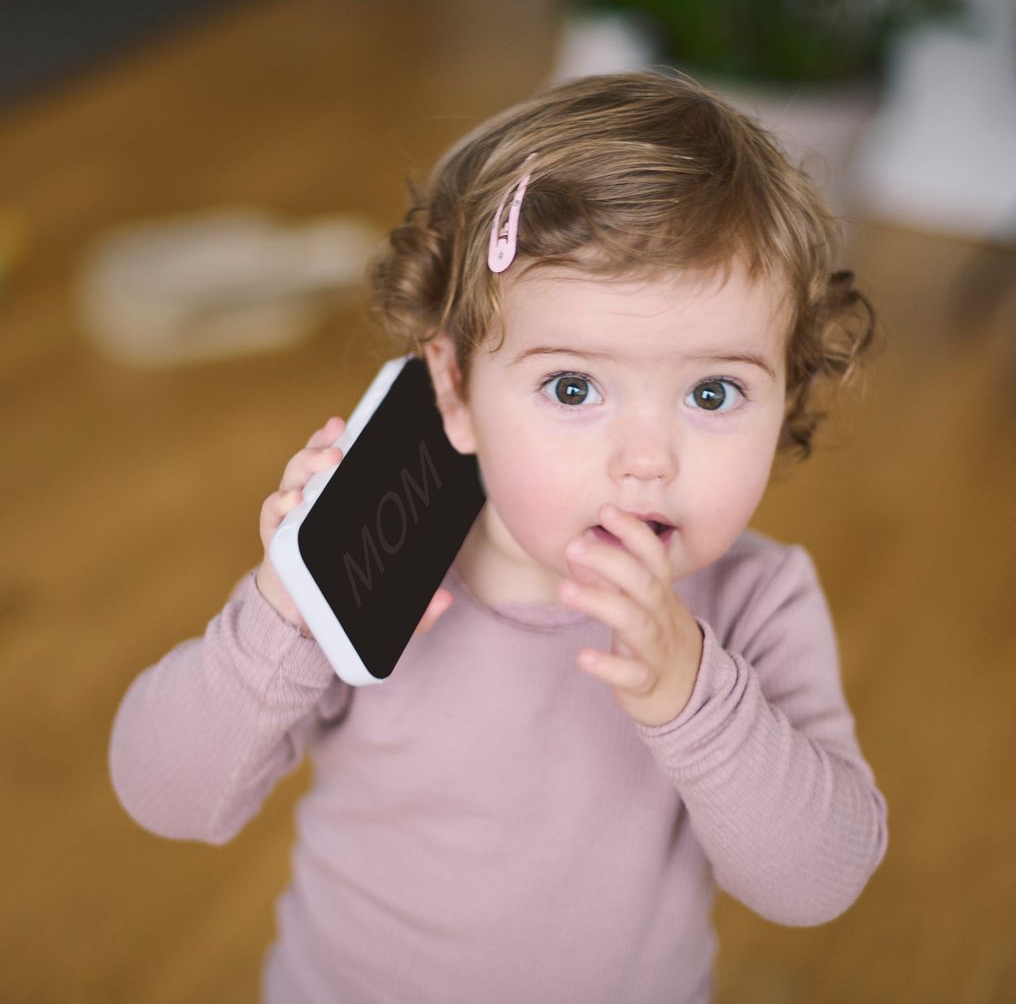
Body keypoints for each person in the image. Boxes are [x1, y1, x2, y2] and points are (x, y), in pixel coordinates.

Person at [109, 70, 888, 1004]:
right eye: (572, 387)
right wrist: (284, 612)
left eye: (712, 392)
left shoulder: (758, 600)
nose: (646, 459)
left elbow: (817, 883)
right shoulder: (382, 562)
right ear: (455, 390)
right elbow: (167, 796)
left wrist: (693, 697)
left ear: (787, 395)